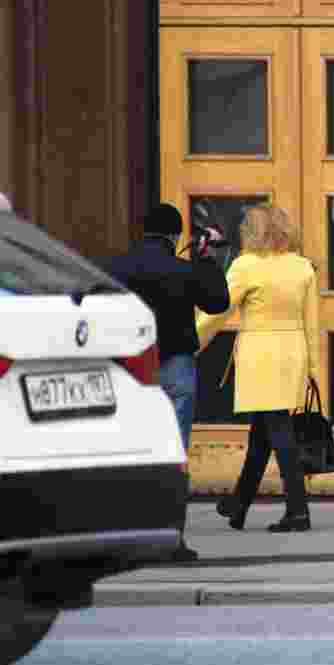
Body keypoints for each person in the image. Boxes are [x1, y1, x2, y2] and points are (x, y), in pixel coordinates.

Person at [106, 203, 231, 560]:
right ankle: (169, 541)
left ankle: (124, 539)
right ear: (176, 236)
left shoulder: (116, 268)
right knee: (172, 458)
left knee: (130, 454)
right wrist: (206, 260)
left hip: (130, 371)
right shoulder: (183, 269)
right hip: (176, 369)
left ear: (142, 231)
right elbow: (217, 302)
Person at [198, 204, 319, 533]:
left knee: (279, 433)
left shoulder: (245, 266)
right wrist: (314, 369)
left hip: (261, 356)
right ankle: (239, 504)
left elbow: (217, 311)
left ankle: (298, 511)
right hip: (292, 354)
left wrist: (190, 339)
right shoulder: (302, 267)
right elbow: (312, 324)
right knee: (263, 436)